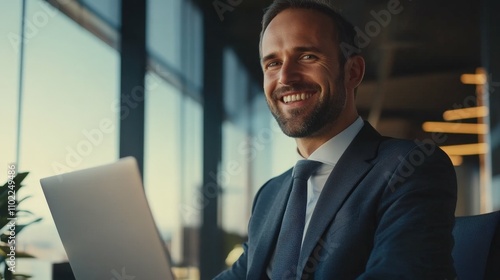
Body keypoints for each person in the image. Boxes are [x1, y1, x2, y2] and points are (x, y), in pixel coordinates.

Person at [215, 0, 457, 279]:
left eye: (307, 56)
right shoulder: (269, 195)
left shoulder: (410, 167)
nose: (285, 77)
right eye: (273, 63)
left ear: (352, 72)